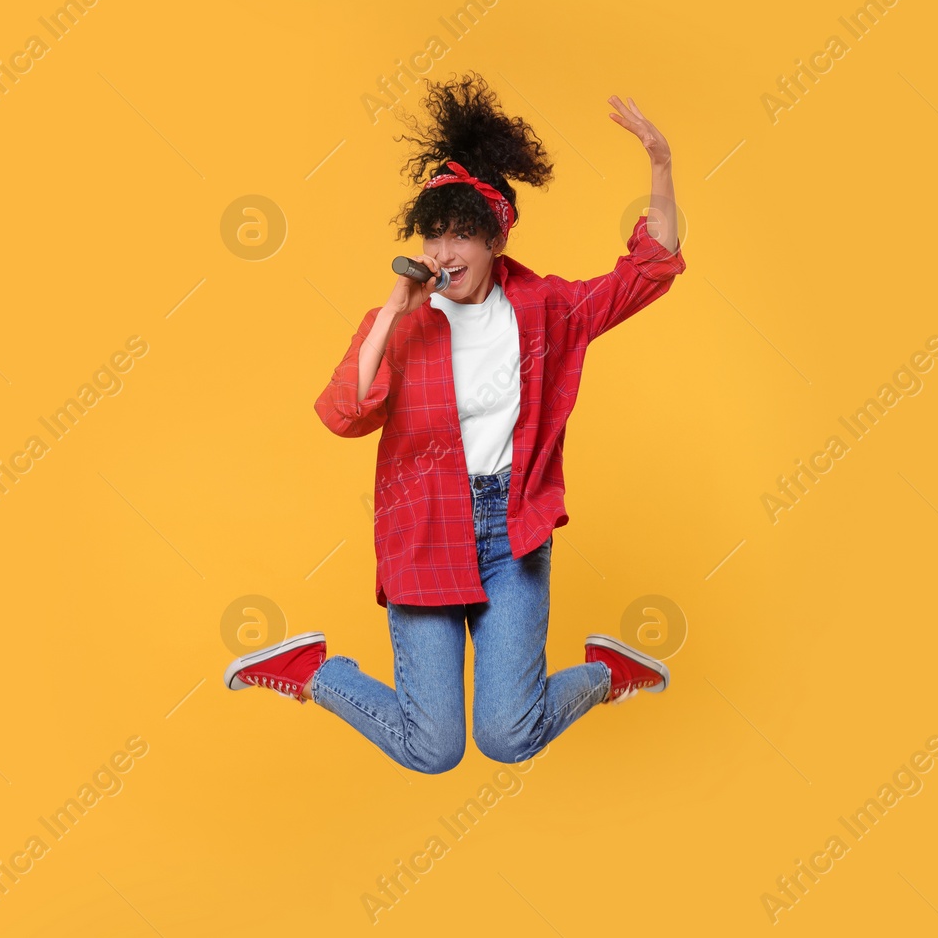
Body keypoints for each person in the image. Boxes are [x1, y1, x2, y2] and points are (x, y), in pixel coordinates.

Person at [224, 72, 686, 773]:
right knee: (433, 749)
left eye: (463, 234)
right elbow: (344, 414)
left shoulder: (546, 311)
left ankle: (604, 673)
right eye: (434, 235)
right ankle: (313, 671)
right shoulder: (402, 328)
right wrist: (390, 315)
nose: (444, 252)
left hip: (513, 531)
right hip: (425, 529)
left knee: (507, 737)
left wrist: (660, 165)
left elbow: (649, 272)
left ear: (495, 236)